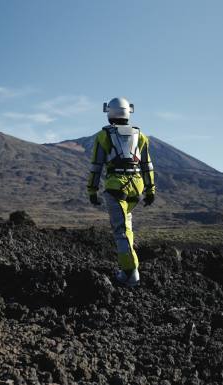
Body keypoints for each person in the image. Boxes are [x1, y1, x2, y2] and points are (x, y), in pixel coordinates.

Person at [87, 97, 156, 287]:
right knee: (126, 228)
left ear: (110, 113)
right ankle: (128, 271)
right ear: (128, 112)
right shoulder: (140, 136)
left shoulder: (104, 136)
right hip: (137, 187)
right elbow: (147, 165)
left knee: (120, 231)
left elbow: (96, 165)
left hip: (116, 187)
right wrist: (150, 190)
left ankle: (131, 272)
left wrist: (92, 191)